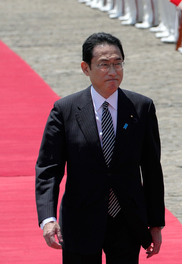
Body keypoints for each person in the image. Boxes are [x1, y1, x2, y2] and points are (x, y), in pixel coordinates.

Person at [36, 32, 165, 263]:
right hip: (81, 219)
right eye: (104, 65)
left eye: (118, 64)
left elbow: (152, 168)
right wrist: (48, 218)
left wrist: (155, 223)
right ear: (86, 68)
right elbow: (49, 168)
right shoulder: (65, 110)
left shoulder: (141, 107)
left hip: (127, 219)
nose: (113, 71)